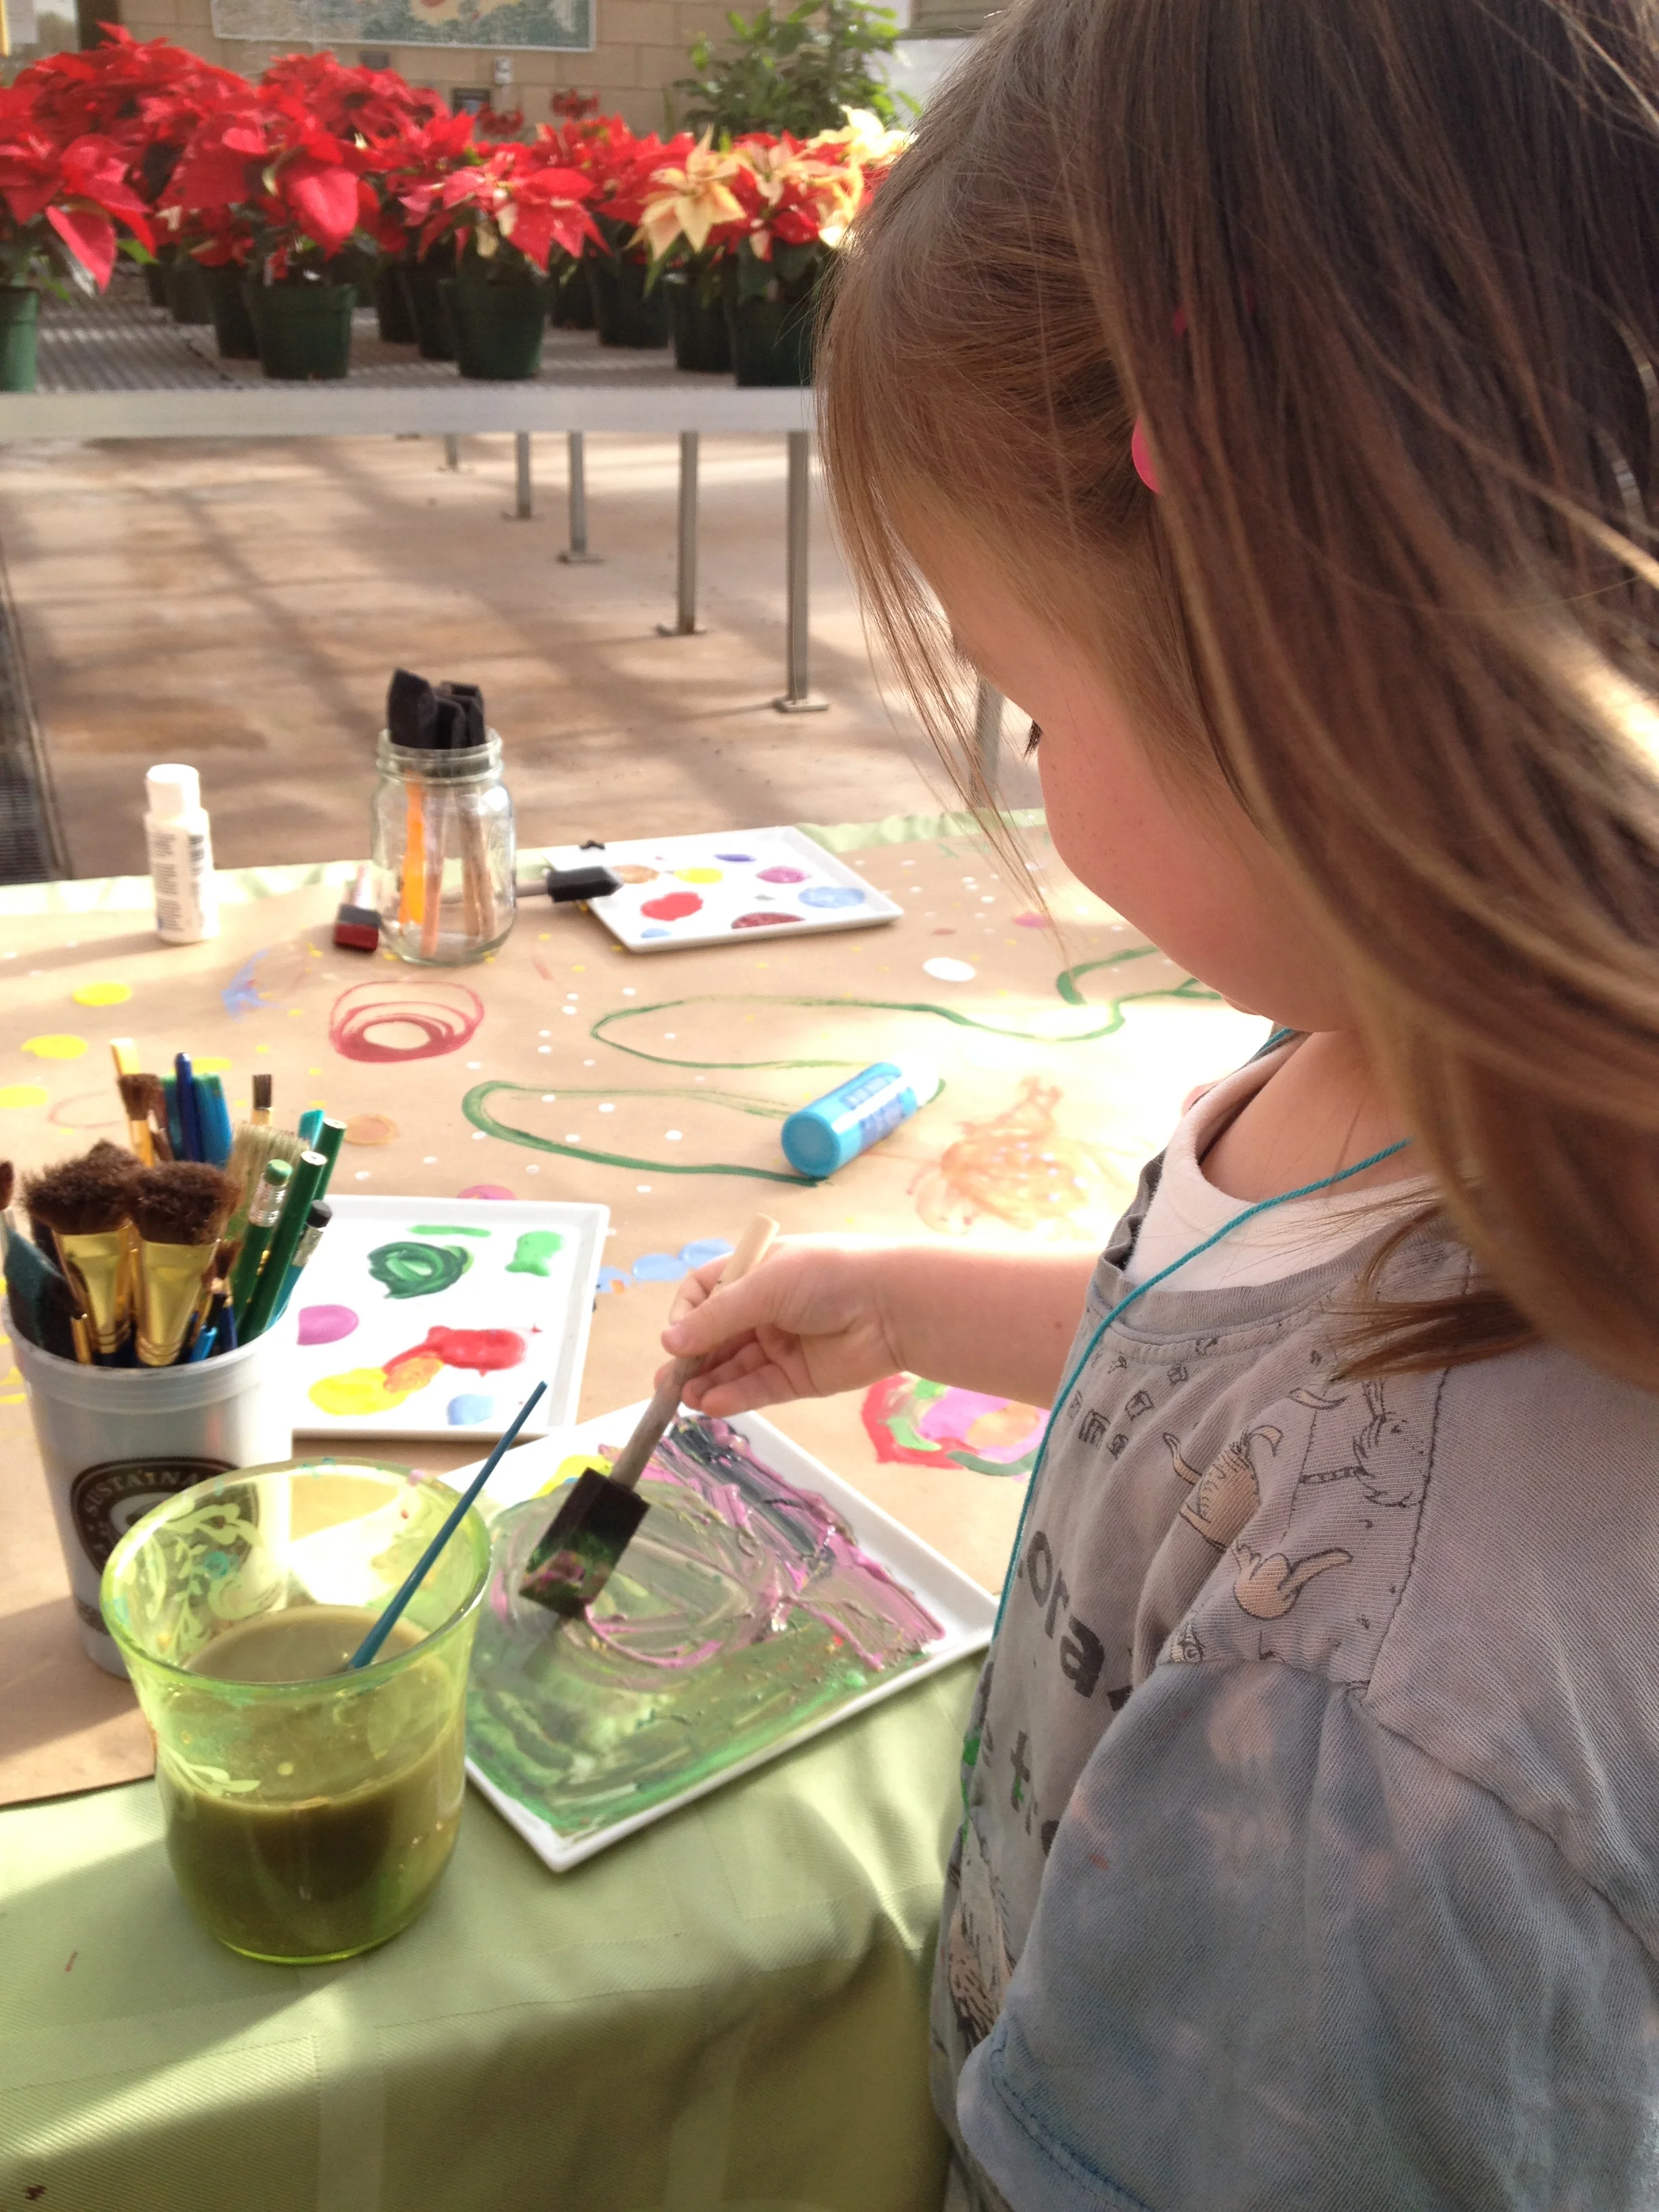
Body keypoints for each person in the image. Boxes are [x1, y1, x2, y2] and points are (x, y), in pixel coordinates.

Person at [661, 0, 1659, 2201]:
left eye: (1027, 699)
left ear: (1318, 680)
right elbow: (1212, 1357)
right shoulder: (1400, 1068)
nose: (1025, 774)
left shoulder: (1378, 1712)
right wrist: (914, 1300)